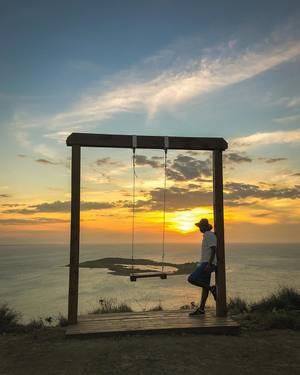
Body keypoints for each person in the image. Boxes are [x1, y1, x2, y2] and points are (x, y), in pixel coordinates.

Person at [188, 218, 217, 315]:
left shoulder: (209, 235)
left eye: (200, 226)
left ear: (204, 227)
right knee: (204, 286)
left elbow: (214, 249)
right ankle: (201, 309)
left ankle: (211, 288)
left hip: (207, 263)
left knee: (191, 279)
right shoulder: (207, 235)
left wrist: (209, 264)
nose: (199, 228)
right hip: (207, 263)